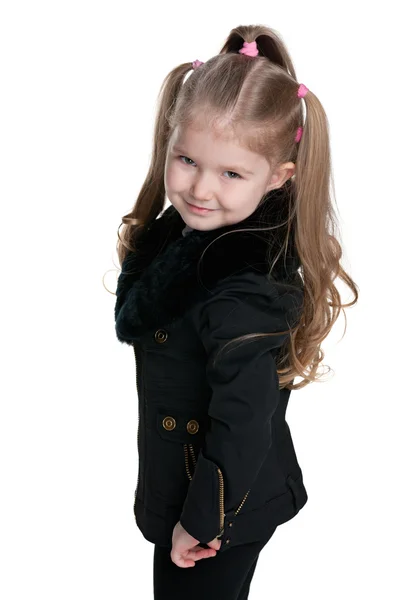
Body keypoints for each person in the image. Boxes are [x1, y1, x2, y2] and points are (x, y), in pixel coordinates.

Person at [112, 23, 359, 600]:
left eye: (231, 173)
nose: (201, 188)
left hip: (221, 512)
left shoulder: (241, 288)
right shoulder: (187, 244)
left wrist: (199, 524)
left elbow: (241, 424)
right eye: (187, 159)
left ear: (278, 177)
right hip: (192, 491)